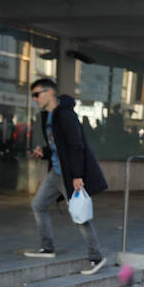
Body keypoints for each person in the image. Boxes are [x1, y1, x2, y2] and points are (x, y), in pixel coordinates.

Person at [24, 78, 108, 274]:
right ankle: (47, 247)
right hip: (56, 171)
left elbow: (76, 145)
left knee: (79, 214)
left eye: (37, 94)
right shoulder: (48, 116)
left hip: (69, 173)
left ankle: (96, 257)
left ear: (50, 93)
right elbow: (57, 146)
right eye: (33, 95)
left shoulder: (65, 115)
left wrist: (77, 175)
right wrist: (43, 152)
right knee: (38, 205)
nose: (35, 99)